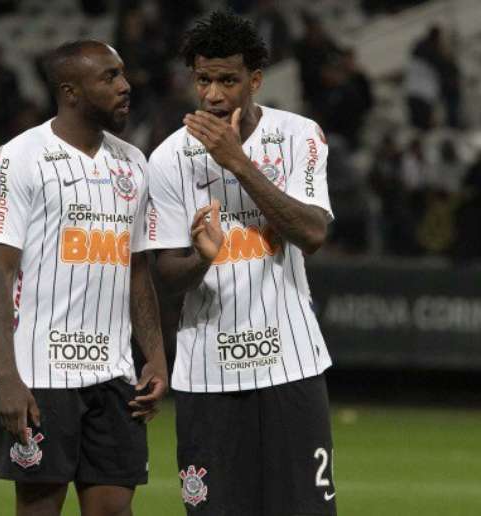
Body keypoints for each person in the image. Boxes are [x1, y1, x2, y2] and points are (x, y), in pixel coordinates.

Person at [144, 12, 337, 515]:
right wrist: (201, 260)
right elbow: (164, 276)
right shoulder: (167, 161)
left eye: (228, 80)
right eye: (203, 79)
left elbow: (312, 233)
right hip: (207, 374)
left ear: (254, 80)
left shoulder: (298, 136)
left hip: (291, 366)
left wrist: (239, 163)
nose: (212, 95)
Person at [0, 40, 168, 516]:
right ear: (71, 91)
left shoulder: (133, 163)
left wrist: (157, 358)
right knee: (40, 506)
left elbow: (138, 271)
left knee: (113, 511)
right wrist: (9, 377)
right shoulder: (18, 158)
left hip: (115, 374)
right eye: (109, 77)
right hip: (40, 376)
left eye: (123, 74)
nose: (125, 86)